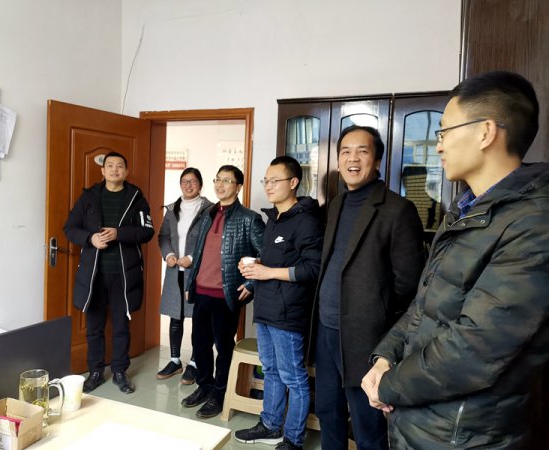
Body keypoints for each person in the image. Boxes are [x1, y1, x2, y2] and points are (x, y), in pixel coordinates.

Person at [361, 71, 549, 449]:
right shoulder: (466, 210)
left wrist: (390, 385)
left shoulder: (534, 225)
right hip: (423, 418)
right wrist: (385, 357)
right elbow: (424, 303)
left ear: (485, 133)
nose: (439, 146)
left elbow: (474, 349)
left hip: (463, 433)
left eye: (444, 131)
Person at [308, 125, 425, 450]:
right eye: (345, 152)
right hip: (326, 330)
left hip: (366, 338)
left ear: (377, 161)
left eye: (362, 151)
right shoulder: (336, 204)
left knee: (367, 425)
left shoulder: (397, 209)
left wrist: (375, 315)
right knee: (328, 412)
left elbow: (408, 284)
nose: (352, 159)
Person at [234, 156, 323, 450]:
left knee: (294, 378)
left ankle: (293, 439)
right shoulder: (274, 219)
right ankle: (270, 426)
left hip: (288, 312)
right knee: (270, 370)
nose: (269, 186)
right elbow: (277, 260)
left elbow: (313, 268)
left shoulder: (307, 221)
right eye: (266, 181)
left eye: (275, 180)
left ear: (293, 182)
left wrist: (267, 272)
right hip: (266, 307)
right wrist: (255, 267)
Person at [63, 151, 154, 394]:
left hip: (124, 275)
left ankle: (120, 371)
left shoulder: (136, 198)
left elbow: (147, 231)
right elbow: (70, 228)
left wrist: (119, 233)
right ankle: (95, 372)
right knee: (94, 327)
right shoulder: (89, 197)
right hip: (94, 275)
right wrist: (90, 238)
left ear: (126, 171)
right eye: (110, 166)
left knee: (122, 326)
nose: (115, 170)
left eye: (120, 166)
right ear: (102, 171)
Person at [181, 165, 265, 419]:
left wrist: (250, 284)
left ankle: (219, 393)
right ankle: (204, 386)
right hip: (202, 291)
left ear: (238, 186)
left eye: (227, 180)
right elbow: (197, 254)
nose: (220, 184)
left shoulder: (249, 218)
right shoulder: (207, 213)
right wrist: (190, 284)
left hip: (226, 295)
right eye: (218, 179)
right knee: (200, 343)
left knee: (224, 346)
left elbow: (266, 255)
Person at [157, 168, 213, 384]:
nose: (188, 185)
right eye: (184, 181)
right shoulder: (172, 209)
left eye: (193, 181)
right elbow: (163, 236)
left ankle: (195, 363)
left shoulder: (209, 209)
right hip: (175, 272)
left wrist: (192, 257)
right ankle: (175, 361)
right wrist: (168, 254)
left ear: (200, 184)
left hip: (198, 273)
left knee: (199, 319)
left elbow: (212, 240)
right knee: (176, 316)